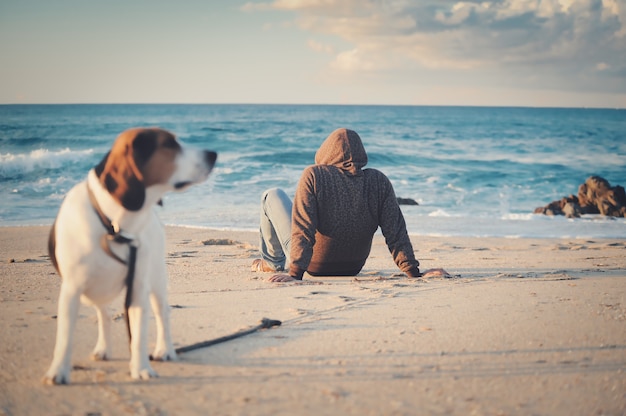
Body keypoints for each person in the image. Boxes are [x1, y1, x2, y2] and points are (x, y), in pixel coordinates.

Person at [251, 128, 448, 282]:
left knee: (272, 195)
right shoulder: (378, 180)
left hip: (314, 265)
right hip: (353, 266)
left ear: (326, 152)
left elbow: (304, 228)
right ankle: (276, 262)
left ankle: (272, 263)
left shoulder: (314, 175)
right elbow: (396, 231)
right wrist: (413, 272)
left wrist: (295, 274)